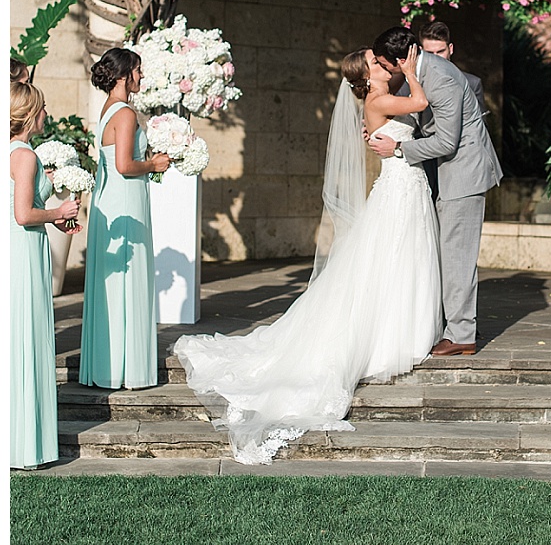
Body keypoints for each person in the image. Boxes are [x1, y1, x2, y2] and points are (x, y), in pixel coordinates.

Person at [173, 46, 442, 464]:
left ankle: (404, 330)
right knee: (390, 259)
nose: (386, 65)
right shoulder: (378, 99)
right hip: (398, 190)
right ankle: (392, 338)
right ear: (367, 77)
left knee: (398, 261)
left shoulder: (381, 99)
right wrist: (411, 70)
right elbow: (421, 103)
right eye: (377, 62)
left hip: (406, 188)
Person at [370, 26, 503, 356]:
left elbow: (446, 140)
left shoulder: (440, 76)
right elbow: (422, 115)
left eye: (386, 64)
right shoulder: (421, 70)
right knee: (447, 253)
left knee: (457, 256)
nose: (385, 70)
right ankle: (453, 327)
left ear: (401, 60)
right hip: (449, 170)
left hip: (464, 173)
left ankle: (461, 335)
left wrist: (397, 147)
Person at [79, 47, 171, 390]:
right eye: (137, 70)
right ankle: (129, 369)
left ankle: (108, 365)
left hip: (110, 199)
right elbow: (124, 165)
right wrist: (154, 164)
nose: (141, 76)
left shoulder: (106, 110)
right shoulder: (127, 113)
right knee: (129, 279)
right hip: (126, 200)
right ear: (123, 75)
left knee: (113, 283)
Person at [10, 81, 81, 469]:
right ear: (28, 113)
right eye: (42, 108)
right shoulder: (25, 155)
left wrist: (47, 188)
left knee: (19, 337)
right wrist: (59, 212)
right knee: (27, 338)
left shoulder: (14, 153)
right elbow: (24, 215)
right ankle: (23, 445)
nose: (46, 114)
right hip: (23, 251)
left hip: (18, 251)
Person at [418, 20, 488, 118]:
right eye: (429, 53)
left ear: (450, 49)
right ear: (421, 52)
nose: (435, 58)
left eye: (440, 51)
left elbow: (479, 127)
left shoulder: (472, 83)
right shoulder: (410, 83)